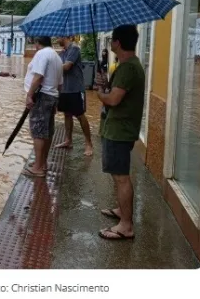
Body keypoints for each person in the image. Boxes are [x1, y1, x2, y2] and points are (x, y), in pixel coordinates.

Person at [95, 25, 145, 240]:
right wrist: (107, 85)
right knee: (119, 175)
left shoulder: (126, 68)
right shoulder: (129, 66)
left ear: (117, 43)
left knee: (121, 177)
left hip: (119, 130)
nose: (111, 44)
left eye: (112, 40)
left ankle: (126, 225)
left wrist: (100, 93)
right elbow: (118, 92)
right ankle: (121, 210)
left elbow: (113, 100)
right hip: (121, 128)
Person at [22, 36, 64, 177]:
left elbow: (38, 76)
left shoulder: (42, 53)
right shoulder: (57, 57)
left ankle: (38, 168)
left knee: (38, 131)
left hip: (41, 96)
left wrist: (29, 95)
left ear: (37, 44)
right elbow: (60, 84)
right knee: (47, 130)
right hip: (52, 96)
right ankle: (42, 163)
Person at [55, 36, 94, 156]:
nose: (56, 39)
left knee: (80, 115)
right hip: (65, 89)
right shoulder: (62, 53)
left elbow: (66, 67)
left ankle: (88, 143)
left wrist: (50, 67)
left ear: (65, 36)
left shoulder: (74, 48)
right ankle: (68, 140)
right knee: (67, 115)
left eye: (58, 37)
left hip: (76, 89)